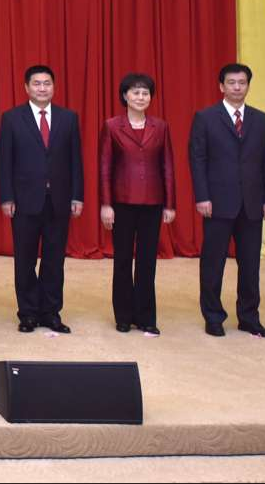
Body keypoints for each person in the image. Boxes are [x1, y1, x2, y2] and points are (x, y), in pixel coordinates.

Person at [189, 62, 265, 338]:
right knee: (213, 263)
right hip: (217, 202)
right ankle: (213, 316)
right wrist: (202, 196)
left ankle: (249, 317)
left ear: (248, 86)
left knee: (250, 264)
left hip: (252, 202)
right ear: (221, 86)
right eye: (232, 82)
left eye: (242, 83)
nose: (237, 87)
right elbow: (197, 160)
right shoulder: (205, 117)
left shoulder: (261, 120)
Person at [0, 64, 84, 334]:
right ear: (26, 87)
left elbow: (76, 160)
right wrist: (6, 197)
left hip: (59, 199)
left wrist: (77, 196)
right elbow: (5, 161)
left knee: (54, 260)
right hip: (24, 200)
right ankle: (28, 313)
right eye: (37, 83)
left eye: (47, 83)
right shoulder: (12, 118)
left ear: (54, 87)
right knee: (25, 260)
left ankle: (51, 312)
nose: (42, 88)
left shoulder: (68, 118)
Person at [98, 73, 175, 336]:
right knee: (122, 260)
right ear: (125, 96)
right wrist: (106, 204)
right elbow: (105, 167)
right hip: (121, 202)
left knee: (147, 261)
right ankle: (123, 315)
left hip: (152, 202)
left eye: (145, 93)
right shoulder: (111, 126)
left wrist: (170, 204)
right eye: (135, 92)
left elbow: (167, 166)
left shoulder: (160, 127)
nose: (141, 97)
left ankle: (146, 316)